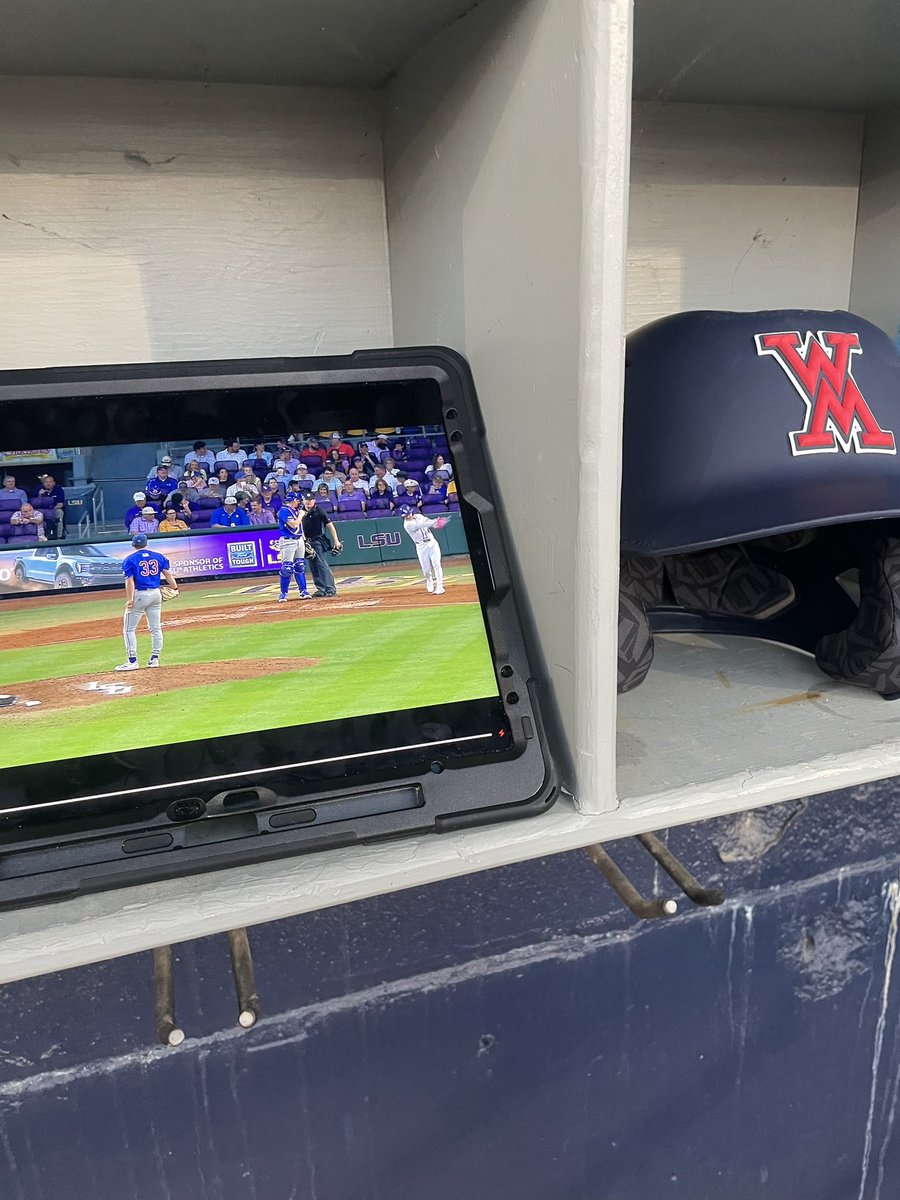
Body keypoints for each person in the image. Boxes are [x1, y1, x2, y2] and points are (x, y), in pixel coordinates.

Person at [115, 533, 178, 671]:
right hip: (156, 594)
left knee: (129, 630)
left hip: (140, 594)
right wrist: (175, 588)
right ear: (146, 543)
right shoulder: (158, 556)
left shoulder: (129, 559)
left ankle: (132, 661)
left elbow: (129, 581)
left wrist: (130, 599)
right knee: (155, 628)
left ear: (133, 545)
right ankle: (154, 659)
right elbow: (167, 574)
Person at [301, 492, 343, 597]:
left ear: (314, 501)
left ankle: (330, 588)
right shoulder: (301, 512)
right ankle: (321, 589)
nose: (308, 502)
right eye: (306, 500)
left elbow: (330, 525)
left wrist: (336, 540)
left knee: (321, 564)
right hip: (307, 542)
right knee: (313, 566)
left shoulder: (319, 511)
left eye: (310, 500)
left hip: (318, 540)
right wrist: (304, 541)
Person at [400, 504, 446, 594]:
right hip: (421, 546)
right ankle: (429, 580)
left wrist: (437, 524)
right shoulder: (407, 525)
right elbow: (422, 525)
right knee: (426, 570)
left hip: (432, 542)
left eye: (409, 513)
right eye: (406, 515)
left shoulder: (419, 516)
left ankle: (440, 587)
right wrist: (435, 520)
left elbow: (429, 523)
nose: (408, 516)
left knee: (436, 564)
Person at [276, 492, 312, 601]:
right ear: (294, 500)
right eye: (298, 501)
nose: (299, 503)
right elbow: (294, 524)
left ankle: (303, 590)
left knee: (300, 566)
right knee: (287, 568)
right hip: (288, 541)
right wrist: (301, 515)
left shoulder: (295, 511)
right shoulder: (284, 510)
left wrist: (304, 540)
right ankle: (283, 593)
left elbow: (299, 527)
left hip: (298, 539)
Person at [34, 473, 66, 537]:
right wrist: (39, 495)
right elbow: (35, 504)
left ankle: (59, 535)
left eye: (50, 482)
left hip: (54, 509)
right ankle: (39, 535)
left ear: (54, 483)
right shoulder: (38, 489)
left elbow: (60, 504)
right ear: (43, 483)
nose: (48, 484)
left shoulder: (58, 489)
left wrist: (51, 511)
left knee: (60, 512)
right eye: (46, 482)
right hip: (41, 510)